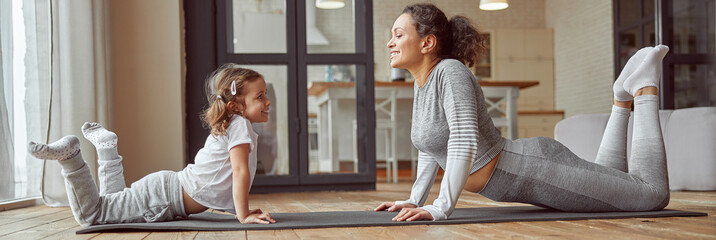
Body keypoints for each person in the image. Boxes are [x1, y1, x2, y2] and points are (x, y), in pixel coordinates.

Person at [374, 3, 670, 222]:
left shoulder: (450, 72)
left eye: (398, 35)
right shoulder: (422, 83)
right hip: (524, 176)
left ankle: (643, 90)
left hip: (536, 169)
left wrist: (440, 208)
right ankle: (621, 100)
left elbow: (464, 141)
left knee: (652, 195)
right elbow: (431, 146)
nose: (390, 42)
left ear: (427, 43)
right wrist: (414, 199)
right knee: (615, 181)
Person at [27, 63, 277, 226]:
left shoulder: (236, 125)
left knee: (112, 200)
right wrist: (243, 215)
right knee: (93, 216)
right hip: (163, 198)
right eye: (260, 96)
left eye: (265, 94)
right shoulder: (240, 126)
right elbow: (239, 171)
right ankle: (71, 159)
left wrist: (239, 210)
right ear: (235, 105)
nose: (267, 102)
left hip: (166, 190)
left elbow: (221, 176)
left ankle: (107, 149)